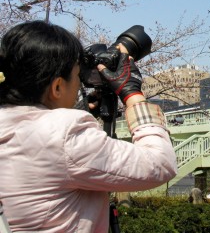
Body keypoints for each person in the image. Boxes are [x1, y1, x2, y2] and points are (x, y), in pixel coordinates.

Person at [0, 20, 177, 232]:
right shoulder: (64, 133)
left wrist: (81, 110)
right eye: (77, 76)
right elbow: (160, 164)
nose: (80, 84)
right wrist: (133, 94)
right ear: (57, 86)